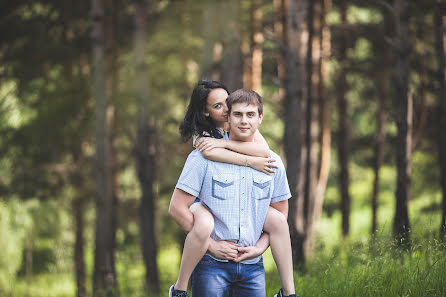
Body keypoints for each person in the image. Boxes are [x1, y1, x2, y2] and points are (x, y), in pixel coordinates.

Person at [169, 86, 298, 297]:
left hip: (252, 266)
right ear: (228, 117)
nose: (244, 121)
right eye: (237, 114)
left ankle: (289, 293)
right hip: (211, 265)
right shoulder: (203, 154)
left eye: (250, 115)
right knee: (203, 218)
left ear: (260, 118)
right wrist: (211, 246)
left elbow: (280, 216)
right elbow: (176, 209)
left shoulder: (272, 162)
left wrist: (260, 247)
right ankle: (178, 291)